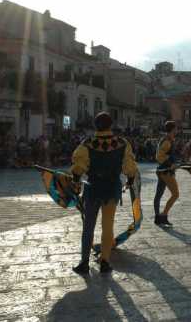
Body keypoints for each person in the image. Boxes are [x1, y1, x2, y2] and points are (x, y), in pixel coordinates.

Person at [71, 112, 138, 274]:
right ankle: (105, 261)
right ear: (111, 125)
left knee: (88, 226)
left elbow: (78, 166)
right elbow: (129, 167)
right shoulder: (122, 143)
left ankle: (84, 262)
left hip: (93, 188)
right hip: (112, 188)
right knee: (108, 226)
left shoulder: (87, 143)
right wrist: (130, 179)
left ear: (95, 125)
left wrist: (75, 180)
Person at [154, 121, 180, 226]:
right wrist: (170, 164)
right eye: (176, 128)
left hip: (163, 171)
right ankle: (163, 215)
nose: (177, 130)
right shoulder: (167, 141)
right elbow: (159, 157)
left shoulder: (167, 140)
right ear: (172, 129)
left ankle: (158, 218)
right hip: (166, 172)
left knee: (159, 195)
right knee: (175, 194)